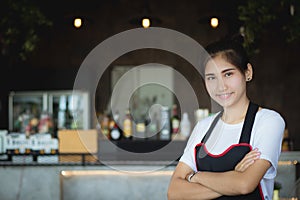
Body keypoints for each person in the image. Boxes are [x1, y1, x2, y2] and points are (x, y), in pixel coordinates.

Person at [167, 39, 285, 199]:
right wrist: (233, 177)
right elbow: (174, 192)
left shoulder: (268, 121)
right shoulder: (203, 127)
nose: (221, 86)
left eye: (228, 74)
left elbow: (245, 185)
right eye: (211, 77)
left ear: (247, 72)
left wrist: (195, 177)